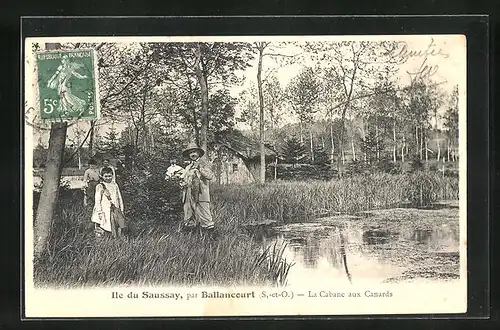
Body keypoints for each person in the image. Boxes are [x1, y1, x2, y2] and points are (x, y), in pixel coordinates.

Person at [179, 142, 216, 236]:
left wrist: (200, 169)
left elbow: (210, 176)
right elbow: (184, 180)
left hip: (201, 193)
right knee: (189, 215)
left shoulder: (204, 164)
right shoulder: (188, 167)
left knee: (205, 215)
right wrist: (182, 182)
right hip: (188, 194)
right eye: (191, 152)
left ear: (199, 153)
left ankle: (210, 238)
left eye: (194, 152)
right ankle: (191, 238)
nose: (193, 154)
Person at [91, 166, 126, 238]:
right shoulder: (100, 186)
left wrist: (121, 209)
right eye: (106, 176)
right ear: (102, 176)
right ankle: (102, 240)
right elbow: (97, 200)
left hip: (115, 209)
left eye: (110, 176)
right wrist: (99, 212)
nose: (108, 178)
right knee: (103, 225)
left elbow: (119, 197)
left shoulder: (115, 185)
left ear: (113, 175)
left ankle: (116, 239)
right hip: (104, 209)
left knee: (118, 224)